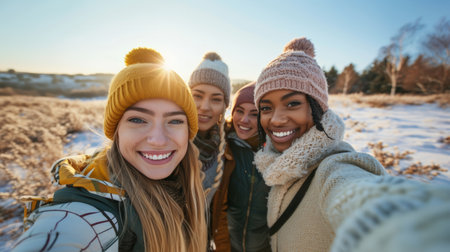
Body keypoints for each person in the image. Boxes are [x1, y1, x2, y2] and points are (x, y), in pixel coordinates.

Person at [253, 37, 450, 252]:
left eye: (292, 104)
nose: (276, 119)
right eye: (266, 108)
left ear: (317, 108)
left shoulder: (334, 168)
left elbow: (359, 195)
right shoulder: (275, 164)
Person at [13, 47, 207, 251]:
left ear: (188, 131)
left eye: (175, 121)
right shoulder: (86, 218)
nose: (158, 140)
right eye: (138, 119)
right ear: (117, 131)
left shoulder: (186, 186)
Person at [211, 81, 271, 252]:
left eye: (254, 114)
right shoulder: (224, 148)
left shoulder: (278, 154)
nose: (244, 120)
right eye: (239, 111)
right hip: (227, 245)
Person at [188, 52, 231, 206]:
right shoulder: (164, 140)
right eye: (198, 96)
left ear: (224, 107)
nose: (205, 107)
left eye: (216, 99)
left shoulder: (228, 149)